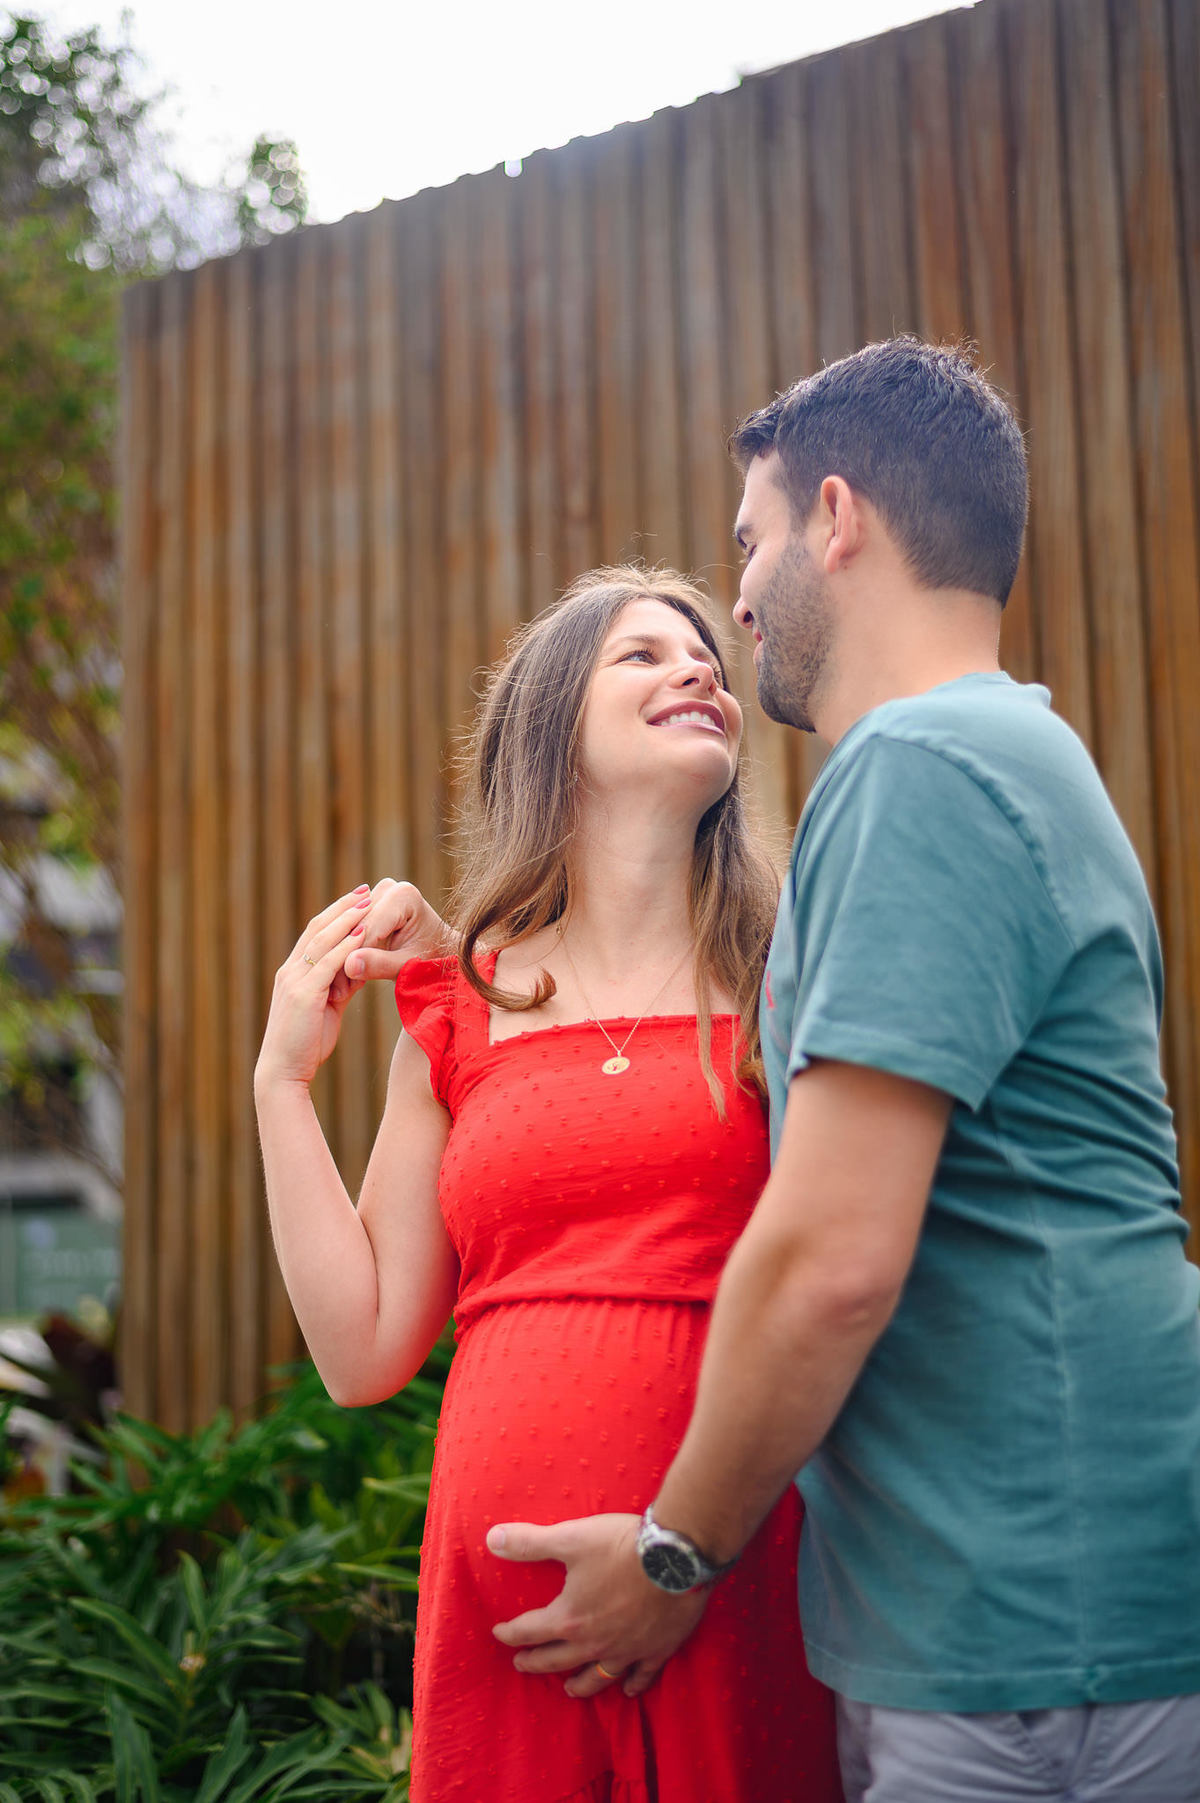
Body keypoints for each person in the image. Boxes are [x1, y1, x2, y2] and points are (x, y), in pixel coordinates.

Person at [479, 340, 1200, 1803]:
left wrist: (675, 1555)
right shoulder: (1014, 753)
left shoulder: (916, 765)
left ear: (835, 516)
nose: (738, 599)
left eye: (749, 543)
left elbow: (830, 1261)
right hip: (1049, 1612)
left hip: (1025, 1642)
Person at [253, 567, 844, 1803]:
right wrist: (282, 1084)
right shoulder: (465, 1008)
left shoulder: (791, 978)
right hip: (503, 1632)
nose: (699, 667)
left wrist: (686, 1555)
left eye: (706, 656)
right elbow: (362, 1351)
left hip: (728, 1581)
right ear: (551, 730)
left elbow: (848, 1282)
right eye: (643, 655)